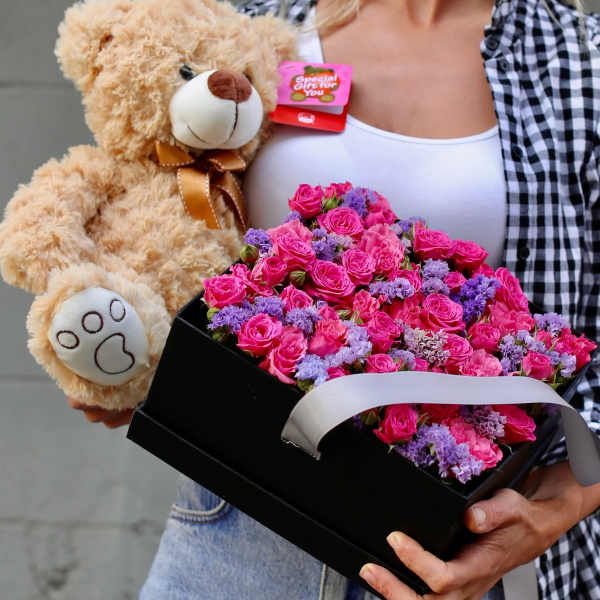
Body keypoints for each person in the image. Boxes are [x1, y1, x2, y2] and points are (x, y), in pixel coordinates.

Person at [69, 0, 600, 598]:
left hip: (432, 562)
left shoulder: (579, 60)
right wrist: (130, 334)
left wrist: (558, 507)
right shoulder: (258, 25)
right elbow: (161, 200)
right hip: (231, 539)